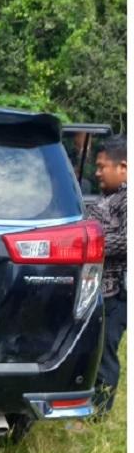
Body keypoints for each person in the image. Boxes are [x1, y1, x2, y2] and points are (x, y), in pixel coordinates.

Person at [87, 135, 127, 416]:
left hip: (117, 294)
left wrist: (91, 244)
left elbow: (127, 240)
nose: (97, 172)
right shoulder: (111, 197)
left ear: (123, 167)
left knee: (105, 352)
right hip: (101, 290)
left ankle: (99, 414)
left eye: (102, 166)